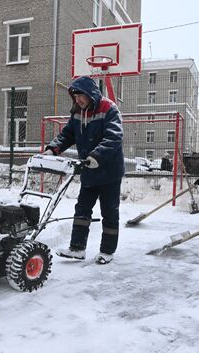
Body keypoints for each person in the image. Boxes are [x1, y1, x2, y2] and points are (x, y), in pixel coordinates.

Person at [44, 76, 124, 265]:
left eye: (81, 96)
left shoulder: (109, 108)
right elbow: (67, 134)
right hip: (89, 170)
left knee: (109, 212)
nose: (78, 100)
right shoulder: (78, 113)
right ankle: (77, 248)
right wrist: (53, 148)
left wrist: (97, 156)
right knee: (82, 209)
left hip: (109, 171)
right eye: (75, 97)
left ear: (91, 94)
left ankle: (107, 251)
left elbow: (114, 137)